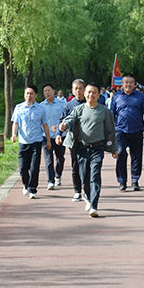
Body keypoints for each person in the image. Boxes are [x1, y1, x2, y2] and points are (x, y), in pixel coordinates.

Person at [59, 82, 118, 217]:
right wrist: (64, 125)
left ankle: (94, 205)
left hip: (98, 148)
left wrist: (113, 148)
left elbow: (110, 131)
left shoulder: (105, 111)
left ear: (99, 95)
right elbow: (70, 119)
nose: (91, 94)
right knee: (84, 177)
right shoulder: (78, 109)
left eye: (94, 92)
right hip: (82, 149)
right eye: (89, 92)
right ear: (85, 94)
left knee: (94, 176)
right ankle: (87, 196)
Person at [109, 74, 144, 191]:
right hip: (121, 130)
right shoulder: (117, 97)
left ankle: (135, 180)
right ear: (122, 84)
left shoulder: (140, 97)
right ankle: (122, 181)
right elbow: (111, 114)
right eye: (126, 82)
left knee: (136, 156)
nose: (128, 84)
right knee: (121, 153)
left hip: (137, 130)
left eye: (131, 82)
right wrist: (108, 129)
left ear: (134, 84)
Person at [11, 85, 51, 199]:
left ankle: (33, 189)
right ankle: (25, 184)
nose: (29, 96)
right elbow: (15, 123)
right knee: (23, 168)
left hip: (36, 141)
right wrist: (14, 134)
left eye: (31, 93)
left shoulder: (41, 109)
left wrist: (48, 140)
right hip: (23, 142)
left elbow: (45, 125)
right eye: (27, 93)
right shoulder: (19, 108)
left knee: (34, 167)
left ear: (36, 95)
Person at [56, 79, 87, 201]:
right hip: (74, 140)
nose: (78, 91)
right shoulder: (68, 105)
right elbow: (61, 120)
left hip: (89, 140)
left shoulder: (90, 103)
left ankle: (87, 190)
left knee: (87, 166)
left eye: (80, 88)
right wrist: (59, 134)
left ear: (84, 90)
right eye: (76, 88)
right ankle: (77, 191)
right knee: (75, 165)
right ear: (72, 91)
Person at [41, 84, 66, 189]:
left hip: (59, 135)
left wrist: (60, 126)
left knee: (60, 158)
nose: (47, 93)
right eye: (45, 91)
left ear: (53, 91)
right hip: (46, 136)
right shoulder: (41, 106)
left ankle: (58, 176)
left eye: (49, 90)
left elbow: (66, 117)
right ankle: (50, 181)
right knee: (48, 159)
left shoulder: (62, 104)